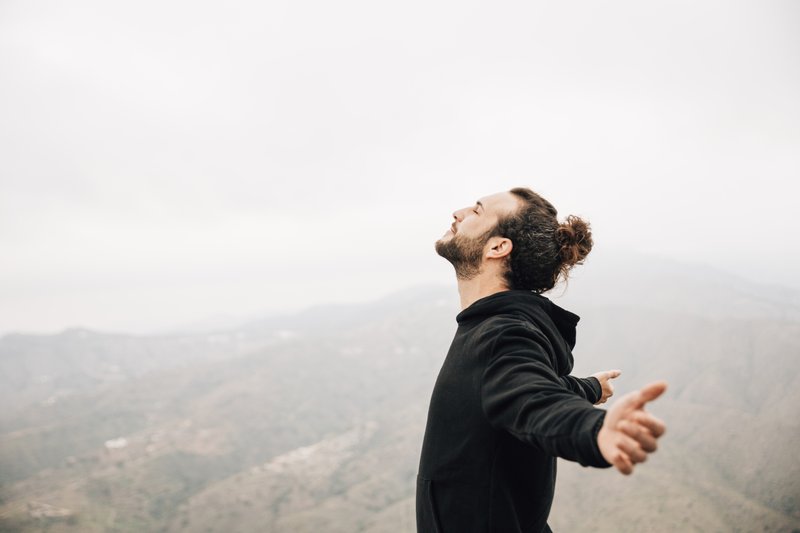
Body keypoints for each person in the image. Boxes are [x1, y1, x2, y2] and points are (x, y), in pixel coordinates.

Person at [416, 187, 667, 533]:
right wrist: (588, 388)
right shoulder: (498, 328)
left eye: (476, 211)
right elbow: (518, 387)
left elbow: (533, 399)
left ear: (498, 247)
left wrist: (594, 430)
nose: (457, 212)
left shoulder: (500, 335)